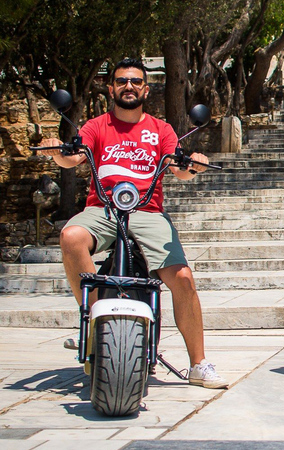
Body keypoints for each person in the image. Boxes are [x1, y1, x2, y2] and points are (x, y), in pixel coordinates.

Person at [37, 58, 228, 389]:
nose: (129, 86)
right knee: (70, 236)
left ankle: (198, 363)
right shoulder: (97, 126)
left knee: (182, 277)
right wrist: (55, 151)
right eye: (122, 81)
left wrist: (195, 163)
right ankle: (95, 321)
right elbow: (74, 157)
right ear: (111, 88)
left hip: (147, 211)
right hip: (104, 209)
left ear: (145, 89)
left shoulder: (161, 129)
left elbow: (178, 168)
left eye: (136, 81)